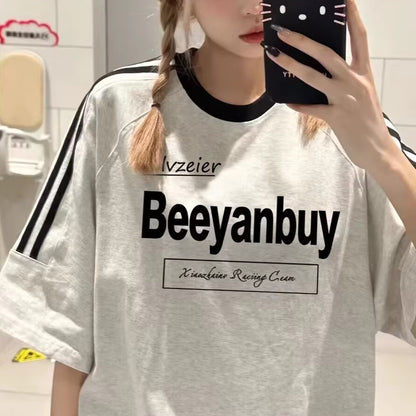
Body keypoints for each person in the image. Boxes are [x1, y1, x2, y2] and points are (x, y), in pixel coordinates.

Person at [0, 0, 415, 415]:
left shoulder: (354, 125)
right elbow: (70, 330)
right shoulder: (117, 105)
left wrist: (386, 159)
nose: (255, 6)